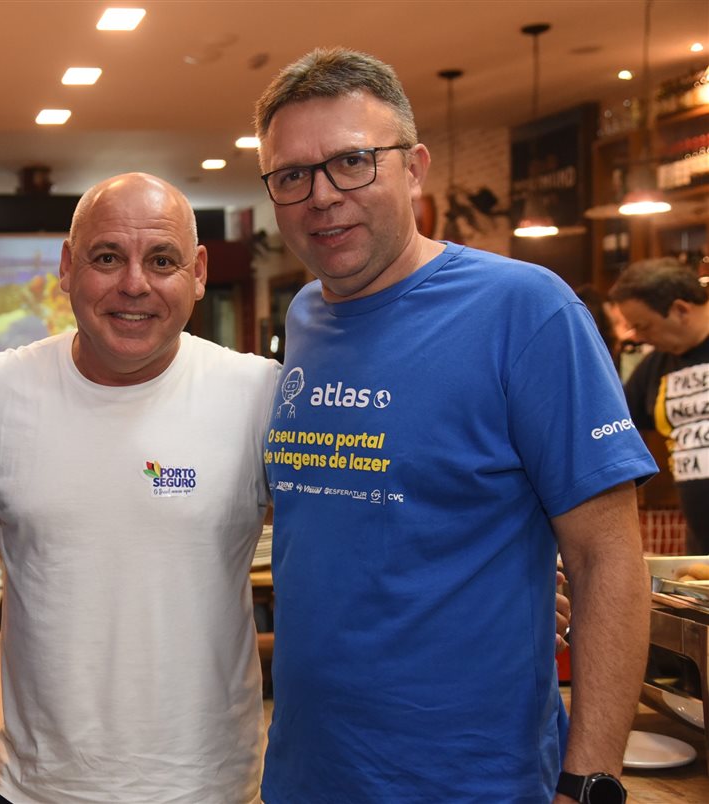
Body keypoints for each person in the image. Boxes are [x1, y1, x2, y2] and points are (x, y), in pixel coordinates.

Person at [254, 48, 656, 803]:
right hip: (309, 771)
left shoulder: (527, 311)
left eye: (353, 162)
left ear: (414, 169)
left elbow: (608, 560)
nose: (322, 195)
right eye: (292, 175)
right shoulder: (305, 316)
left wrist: (590, 777)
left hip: (475, 780)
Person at [0, 173, 282, 803]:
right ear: (68, 268)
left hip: (209, 786)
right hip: (43, 788)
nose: (135, 284)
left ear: (200, 271)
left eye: (162, 260)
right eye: (108, 258)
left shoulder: (257, 393)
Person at [608, 257, 709, 555]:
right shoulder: (655, 366)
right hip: (701, 545)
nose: (638, 336)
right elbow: (614, 424)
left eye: (643, 326)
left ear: (680, 309)